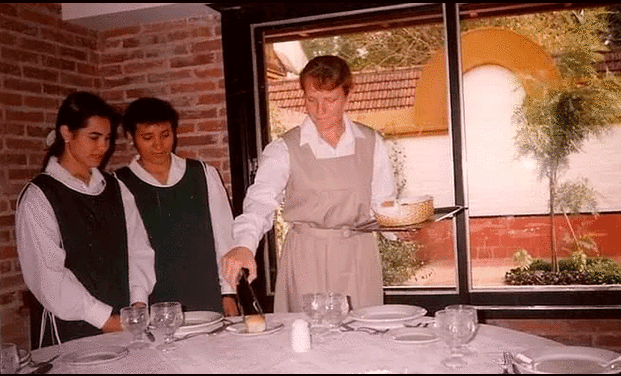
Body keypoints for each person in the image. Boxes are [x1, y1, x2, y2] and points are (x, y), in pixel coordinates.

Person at [221, 55, 397, 312]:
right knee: (308, 339)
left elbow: (384, 203)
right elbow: (260, 201)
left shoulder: (372, 143)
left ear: (347, 96)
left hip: (358, 256)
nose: (320, 110)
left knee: (362, 340)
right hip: (306, 257)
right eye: (311, 100)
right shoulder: (284, 148)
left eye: (330, 100)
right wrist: (244, 244)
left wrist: (401, 229)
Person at [15, 91, 156, 345]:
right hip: (72, 331)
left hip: (123, 323)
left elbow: (138, 251)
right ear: (66, 133)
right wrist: (105, 319)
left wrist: (137, 304)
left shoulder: (116, 188)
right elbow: (49, 276)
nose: (103, 147)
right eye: (94, 137)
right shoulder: (39, 197)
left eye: (107, 138)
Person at [115, 97, 238, 316]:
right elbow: (131, 253)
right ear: (130, 137)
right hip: (155, 303)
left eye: (165, 135)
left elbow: (225, 238)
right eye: (147, 137)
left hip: (206, 295)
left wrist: (228, 293)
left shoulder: (202, 174)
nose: (159, 145)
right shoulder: (120, 183)